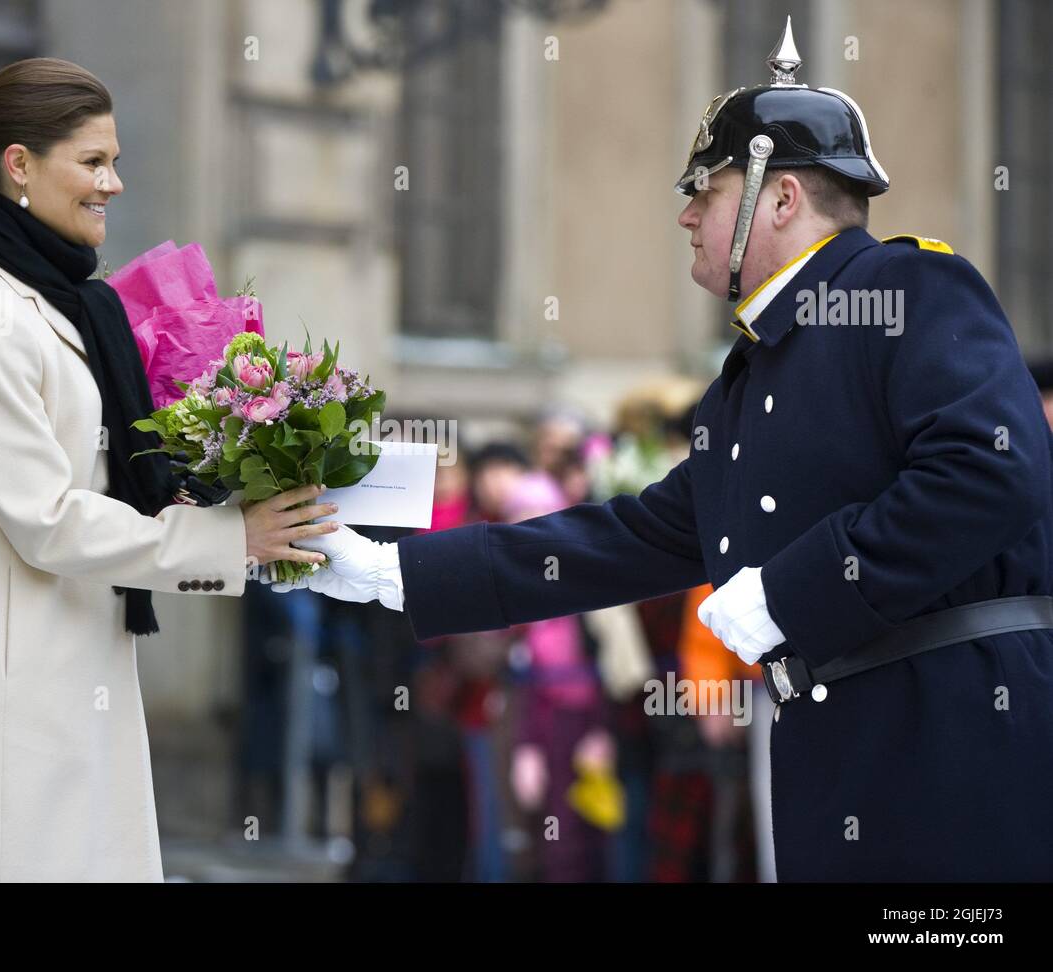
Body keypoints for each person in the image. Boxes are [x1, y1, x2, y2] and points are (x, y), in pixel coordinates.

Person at [270, 21, 1053, 881]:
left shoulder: (911, 286)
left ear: (780, 199)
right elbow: (636, 537)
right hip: (840, 754)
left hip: (952, 741)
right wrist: (399, 574)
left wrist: (800, 588)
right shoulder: (750, 373)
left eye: (704, 192)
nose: (685, 214)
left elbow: (991, 470)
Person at [0, 58, 338, 881]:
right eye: (94, 161)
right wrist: (228, 538)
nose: (116, 183)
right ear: (20, 164)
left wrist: (222, 465)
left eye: (117, 160)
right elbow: (47, 517)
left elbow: (103, 483)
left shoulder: (63, 300)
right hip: (6, 693)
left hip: (69, 669)